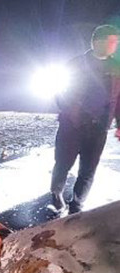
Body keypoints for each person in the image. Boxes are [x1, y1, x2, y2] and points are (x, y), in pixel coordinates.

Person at [49, 24, 120, 215]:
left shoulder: (117, 67)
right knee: (63, 163)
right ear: (97, 42)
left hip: (99, 129)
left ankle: (77, 205)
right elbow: (59, 91)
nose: (116, 45)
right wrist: (69, 112)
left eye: (117, 41)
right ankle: (56, 194)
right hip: (72, 127)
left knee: (88, 170)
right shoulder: (76, 64)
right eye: (112, 41)